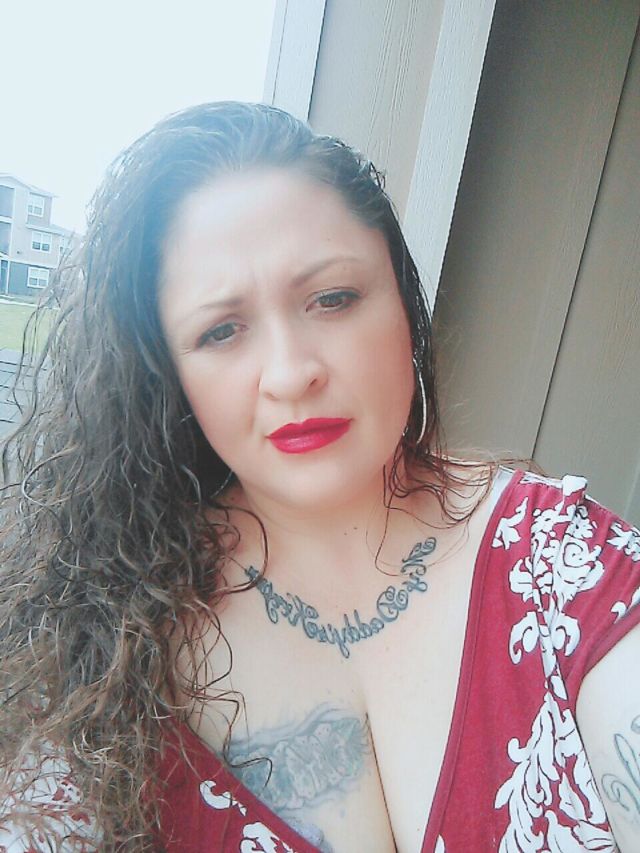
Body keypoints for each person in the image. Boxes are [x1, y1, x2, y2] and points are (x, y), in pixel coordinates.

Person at [0, 102, 638, 853]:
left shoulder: (558, 561)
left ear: (402, 301)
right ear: (167, 375)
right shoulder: (100, 639)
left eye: (332, 299)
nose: (291, 373)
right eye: (221, 330)